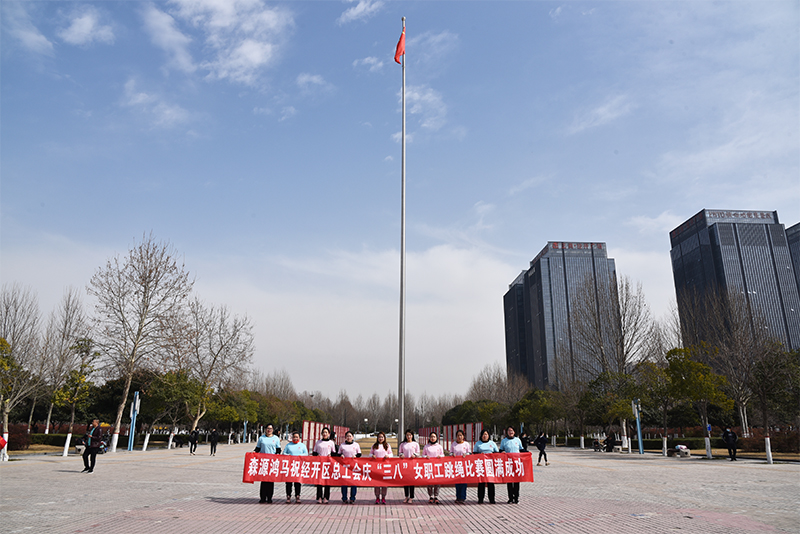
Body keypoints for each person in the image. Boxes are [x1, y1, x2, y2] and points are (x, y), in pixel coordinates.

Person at [255, 424, 281, 503]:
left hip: (272, 462)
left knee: (270, 480)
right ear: (265, 429)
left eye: (271, 428)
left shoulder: (276, 438)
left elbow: (278, 449)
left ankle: (269, 497)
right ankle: (262, 497)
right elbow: (258, 448)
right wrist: (253, 452)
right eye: (268, 428)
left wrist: (277, 455)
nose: (269, 430)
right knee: (263, 480)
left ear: (273, 430)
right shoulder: (261, 438)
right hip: (263, 462)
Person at [473, 429, 499, 504]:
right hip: (481, 465)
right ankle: (480, 499)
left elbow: (496, 453)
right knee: (481, 482)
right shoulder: (478, 444)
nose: (485, 436)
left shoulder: (492, 443)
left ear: (488, 436)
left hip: (490, 466)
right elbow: (474, 453)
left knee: (491, 483)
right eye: (483, 434)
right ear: (481, 436)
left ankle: (492, 499)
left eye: (486, 434)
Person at [282, 431, 308, 503]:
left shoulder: (302, 445)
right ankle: (288, 496)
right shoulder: (288, 445)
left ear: (299, 437)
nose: (295, 438)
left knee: (297, 482)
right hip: (289, 466)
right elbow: (284, 453)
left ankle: (297, 495)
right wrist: (288, 455)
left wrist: (301, 456)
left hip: (298, 467)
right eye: (294, 437)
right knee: (288, 482)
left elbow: (306, 453)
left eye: (297, 437)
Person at [313, 427, 337, 504]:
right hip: (319, 464)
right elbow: (314, 452)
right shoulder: (318, 442)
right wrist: (317, 455)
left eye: (326, 432)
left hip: (328, 464)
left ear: (329, 434)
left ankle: (326, 497)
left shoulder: (331, 443)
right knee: (319, 481)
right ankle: (319, 497)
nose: (324, 434)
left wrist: (331, 455)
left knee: (327, 481)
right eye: (323, 432)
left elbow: (334, 453)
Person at [500, 426, 523, 504]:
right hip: (508, 463)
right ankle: (510, 498)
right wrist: (502, 452)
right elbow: (501, 450)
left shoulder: (518, 440)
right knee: (509, 481)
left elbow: (521, 449)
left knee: (516, 481)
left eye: (512, 431)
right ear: (507, 432)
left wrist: (527, 453)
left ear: (514, 432)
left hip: (516, 463)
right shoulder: (504, 441)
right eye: (509, 431)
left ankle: (516, 497)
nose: (510, 432)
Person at [337, 431, 362, 504]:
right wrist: (341, 455)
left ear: (353, 437)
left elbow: (359, 454)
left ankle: (352, 497)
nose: (349, 438)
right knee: (344, 482)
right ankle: (344, 497)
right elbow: (338, 454)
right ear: (345, 437)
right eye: (347, 436)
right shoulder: (342, 445)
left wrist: (355, 456)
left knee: (353, 482)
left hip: (353, 466)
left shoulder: (356, 445)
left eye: (350, 436)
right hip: (344, 466)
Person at [370, 432, 393, 504]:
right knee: (376, 483)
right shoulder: (374, 446)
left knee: (384, 483)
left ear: (384, 438)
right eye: (379, 437)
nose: (380, 438)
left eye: (382, 437)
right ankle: (377, 497)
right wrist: (372, 456)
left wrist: (388, 456)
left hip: (385, 466)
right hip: (376, 467)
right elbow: (370, 454)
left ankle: (383, 497)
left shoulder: (387, 445)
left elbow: (391, 454)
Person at [398, 430, 420, 504]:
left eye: (410, 435)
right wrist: (401, 455)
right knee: (405, 481)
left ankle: (411, 497)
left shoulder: (415, 444)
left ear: (412, 436)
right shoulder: (402, 444)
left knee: (411, 481)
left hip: (413, 465)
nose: (408, 436)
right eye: (407, 435)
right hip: (404, 465)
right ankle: (406, 496)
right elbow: (400, 452)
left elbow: (418, 453)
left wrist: (415, 455)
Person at [422, 432, 444, 504]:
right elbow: (423, 455)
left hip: (437, 467)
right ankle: (430, 496)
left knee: (437, 482)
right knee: (429, 482)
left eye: (434, 437)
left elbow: (443, 455)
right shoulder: (426, 446)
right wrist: (426, 457)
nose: (433, 438)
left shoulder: (439, 446)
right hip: (429, 467)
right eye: (431, 437)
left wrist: (440, 456)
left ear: (437, 438)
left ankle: (436, 496)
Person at [450, 429, 470, 504]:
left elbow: (470, 453)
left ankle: (463, 497)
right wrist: (452, 454)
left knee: (464, 482)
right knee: (457, 482)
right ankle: (458, 497)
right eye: (458, 435)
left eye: (461, 435)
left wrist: (466, 455)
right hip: (456, 465)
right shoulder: (453, 444)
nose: (459, 437)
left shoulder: (466, 444)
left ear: (463, 436)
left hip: (464, 465)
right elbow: (450, 453)